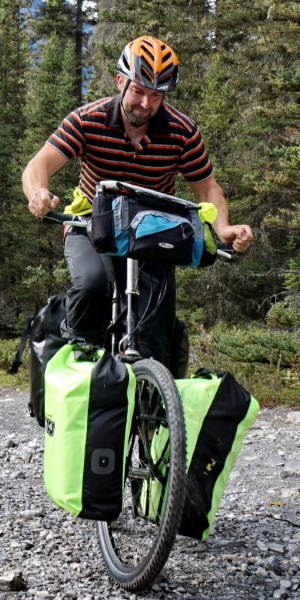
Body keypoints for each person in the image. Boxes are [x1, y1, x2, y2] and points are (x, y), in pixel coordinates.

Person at [22, 35, 253, 369]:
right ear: (121, 82)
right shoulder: (88, 119)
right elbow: (38, 165)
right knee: (92, 285)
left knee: (156, 319)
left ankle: (152, 388)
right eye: (139, 91)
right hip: (93, 223)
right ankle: (78, 361)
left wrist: (224, 228)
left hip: (151, 230)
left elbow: (207, 189)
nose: (146, 103)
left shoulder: (182, 131)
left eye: (156, 95)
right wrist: (38, 193)